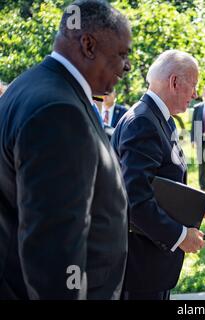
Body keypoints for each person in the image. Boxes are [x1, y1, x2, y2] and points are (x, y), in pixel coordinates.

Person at [0, 0, 131, 299]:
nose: (127, 67)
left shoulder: (32, 85)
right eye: (122, 54)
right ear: (88, 45)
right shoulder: (59, 110)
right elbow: (53, 251)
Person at [111, 50, 205, 300]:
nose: (195, 94)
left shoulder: (162, 120)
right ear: (175, 82)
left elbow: (163, 182)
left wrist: (195, 208)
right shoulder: (141, 122)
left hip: (153, 264)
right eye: (193, 85)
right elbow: (135, 200)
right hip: (139, 266)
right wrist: (180, 236)